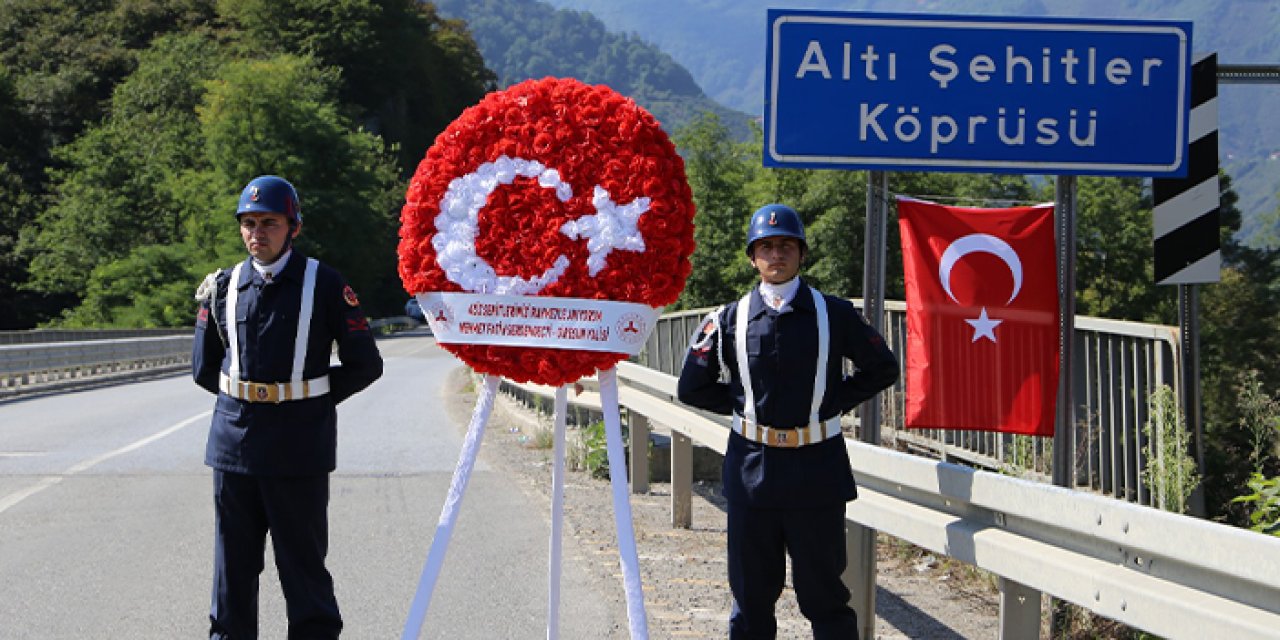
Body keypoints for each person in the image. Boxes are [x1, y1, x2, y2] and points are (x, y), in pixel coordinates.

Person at [676, 203, 899, 639]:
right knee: (751, 598)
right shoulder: (728, 318)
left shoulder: (834, 314)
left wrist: (832, 403)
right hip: (750, 472)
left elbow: (883, 367)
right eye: (766, 247)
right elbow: (691, 387)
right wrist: (745, 409)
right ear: (752, 257)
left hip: (817, 472)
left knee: (825, 598)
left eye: (785, 246)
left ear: (801, 253)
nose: (776, 254)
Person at [192, 175, 384, 639]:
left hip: (299, 448)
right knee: (232, 572)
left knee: (302, 569)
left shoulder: (326, 284)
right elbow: (204, 369)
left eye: (270, 223)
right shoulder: (222, 287)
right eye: (249, 223)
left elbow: (365, 363)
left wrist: (307, 399)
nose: (258, 233)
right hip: (234, 449)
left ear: (292, 226)